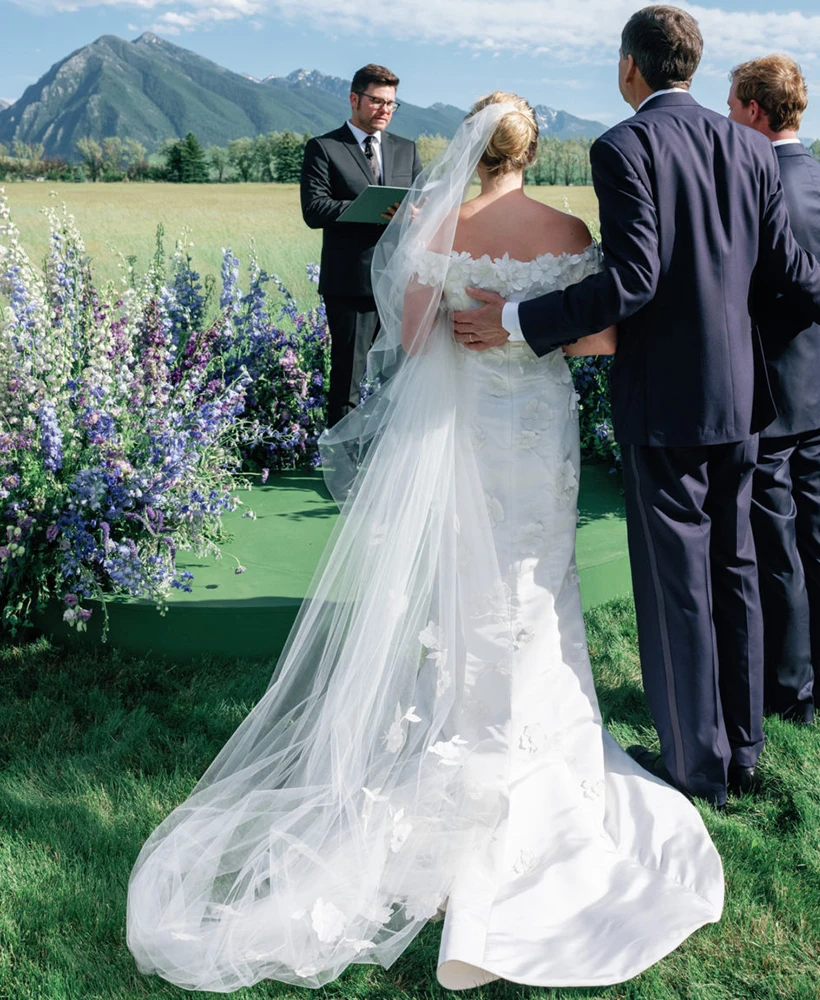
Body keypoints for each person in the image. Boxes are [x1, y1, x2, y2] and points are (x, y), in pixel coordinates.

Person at [127, 94, 725, 993]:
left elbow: (407, 342)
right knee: (537, 585)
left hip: (464, 440)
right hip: (539, 431)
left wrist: (458, 322)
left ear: (469, 153)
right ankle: (537, 750)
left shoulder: (434, 222)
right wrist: (529, 337)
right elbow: (601, 336)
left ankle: (457, 736)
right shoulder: (566, 229)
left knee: (460, 587)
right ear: (534, 152)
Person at [454, 6, 820, 808]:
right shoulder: (748, 145)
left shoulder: (623, 145)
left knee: (677, 584)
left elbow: (633, 281)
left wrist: (518, 319)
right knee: (734, 569)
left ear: (631, 66)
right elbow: (782, 262)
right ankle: (743, 746)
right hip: (743, 399)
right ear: (693, 67)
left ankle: (696, 765)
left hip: (667, 399)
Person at [727, 55, 820, 723]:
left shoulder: (748, 184)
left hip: (767, 389)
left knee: (777, 548)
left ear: (752, 108)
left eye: (730, 104)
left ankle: (790, 691)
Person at [300, 63, 423, 425]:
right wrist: (379, 211)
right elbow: (314, 208)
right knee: (347, 383)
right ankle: (341, 471)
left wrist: (420, 211)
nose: (385, 109)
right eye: (377, 101)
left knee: (398, 382)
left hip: (400, 282)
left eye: (391, 103)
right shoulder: (324, 148)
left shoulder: (407, 149)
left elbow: (419, 203)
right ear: (354, 99)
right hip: (351, 285)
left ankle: (384, 460)